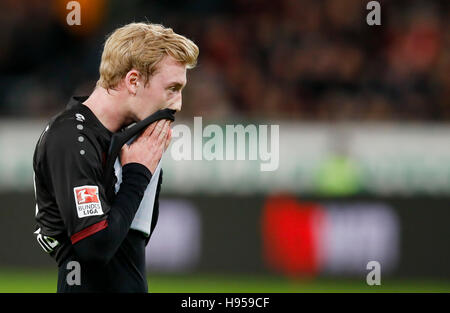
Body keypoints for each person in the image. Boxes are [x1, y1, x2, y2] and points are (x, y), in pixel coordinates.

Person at [32, 22, 199, 292]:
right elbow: (95, 247)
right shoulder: (71, 138)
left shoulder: (135, 140)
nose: (178, 103)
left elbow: (130, 248)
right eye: (172, 88)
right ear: (133, 81)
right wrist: (137, 175)